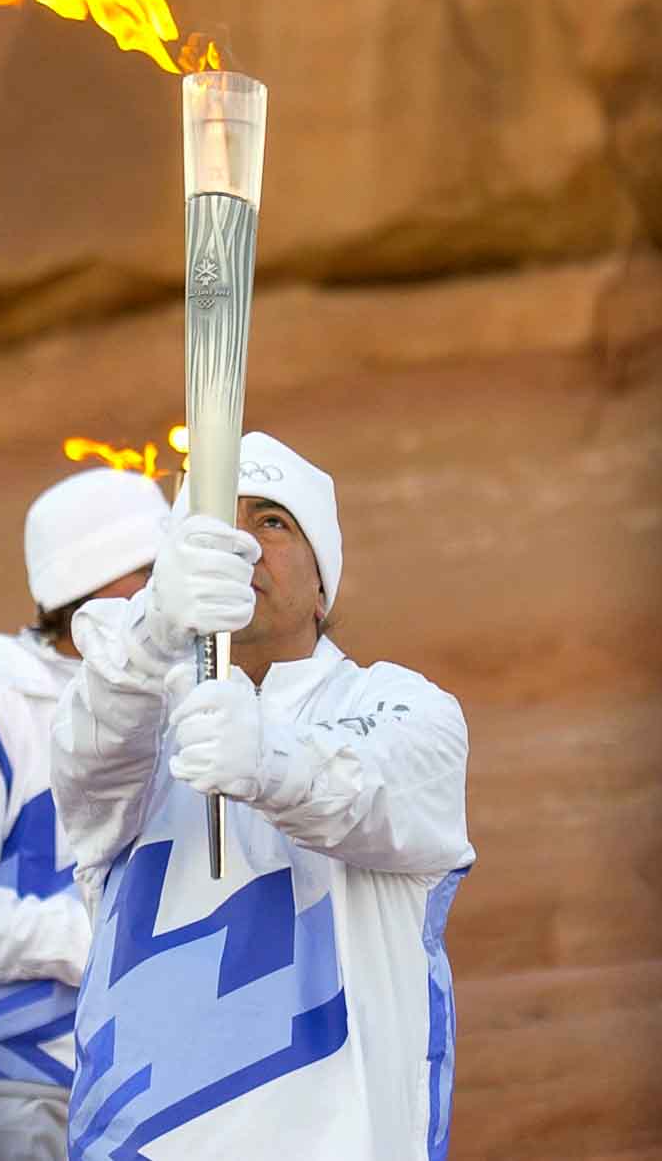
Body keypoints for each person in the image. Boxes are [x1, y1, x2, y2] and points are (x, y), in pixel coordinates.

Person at [51, 431, 477, 1160]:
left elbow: (369, 791)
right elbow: (89, 762)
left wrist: (268, 759)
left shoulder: (406, 706)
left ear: (323, 586)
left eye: (272, 522)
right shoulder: (129, 718)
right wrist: (156, 630)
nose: (240, 547)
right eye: (214, 529)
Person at [0, 466, 172, 1161]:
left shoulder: (180, 699)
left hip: (121, 1085)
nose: (166, 594)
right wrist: (102, 944)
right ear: (85, 587)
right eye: (149, 571)